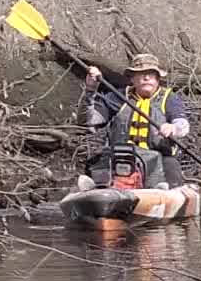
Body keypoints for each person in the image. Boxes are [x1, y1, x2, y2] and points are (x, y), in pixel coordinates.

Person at [75, 53, 190, 190]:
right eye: (141, 74)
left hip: (158, 158)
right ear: (132, 78)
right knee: (98, 161)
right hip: (120, 157)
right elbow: (86, 120)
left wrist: (173, 128)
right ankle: (97, 191)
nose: (146, 78)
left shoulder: (169, 98)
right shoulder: (118, 96)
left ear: (158, 78)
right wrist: (90, 90)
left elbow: (183, 124)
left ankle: (162, 191)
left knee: (171, 166)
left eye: (151, 74)